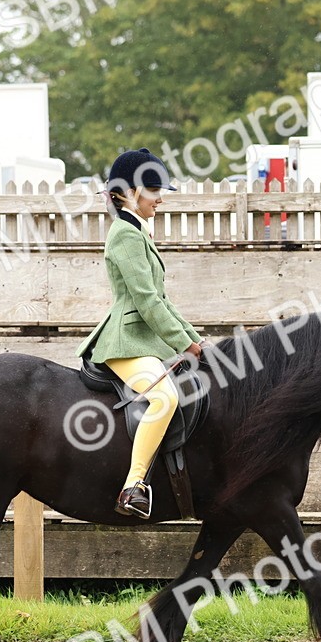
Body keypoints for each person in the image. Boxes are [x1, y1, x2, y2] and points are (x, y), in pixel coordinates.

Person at [75, 148, 204, 518]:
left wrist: (195, 339)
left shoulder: (138, 231)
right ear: (128, 192)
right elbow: (147, 303)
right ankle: (133, 486)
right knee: (163, 398)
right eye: (153, 190)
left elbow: (163, 300)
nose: (160, 199)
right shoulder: (124, 235)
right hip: (126, 342)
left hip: (145, 339)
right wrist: (184, 343)